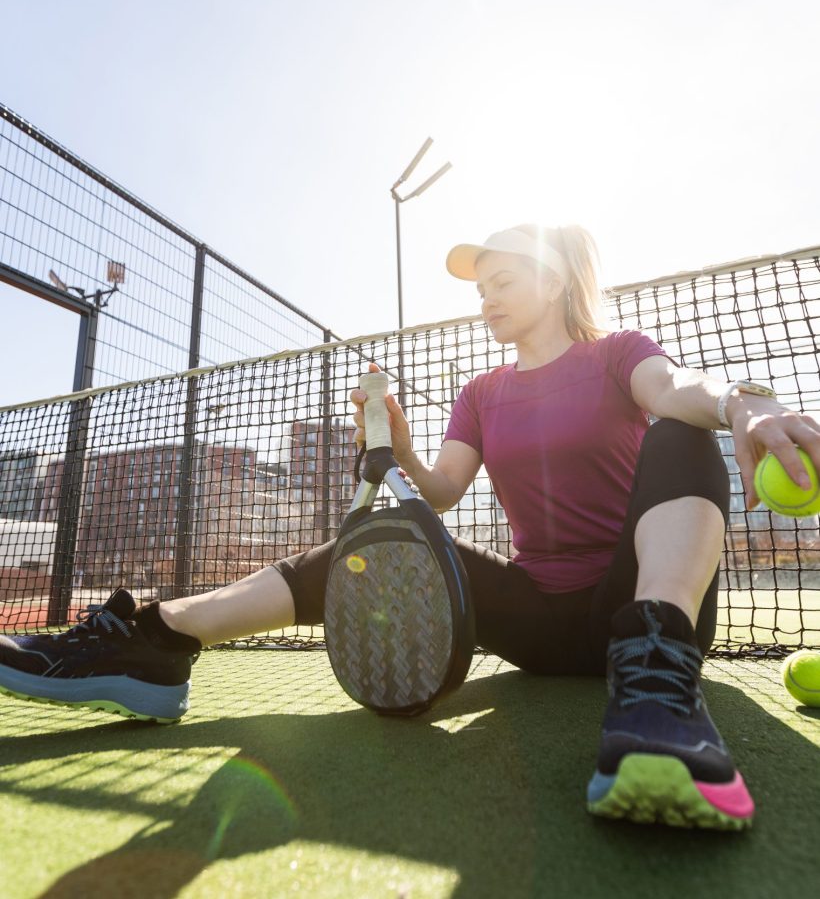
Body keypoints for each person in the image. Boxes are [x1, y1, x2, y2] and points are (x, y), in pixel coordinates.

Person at [1, 224, 818, 831]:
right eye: (478, 287)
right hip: (537, 616)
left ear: (556, 275)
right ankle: (156, 641)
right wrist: (389, 436)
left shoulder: (617, 356)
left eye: (500, 279)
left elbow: (675, 387)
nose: (485, 296)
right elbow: (440, 492)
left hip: (638, 604)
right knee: (381, 538)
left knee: (683, 431)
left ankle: (657, 695)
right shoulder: (481, 391)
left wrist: (743, 400)